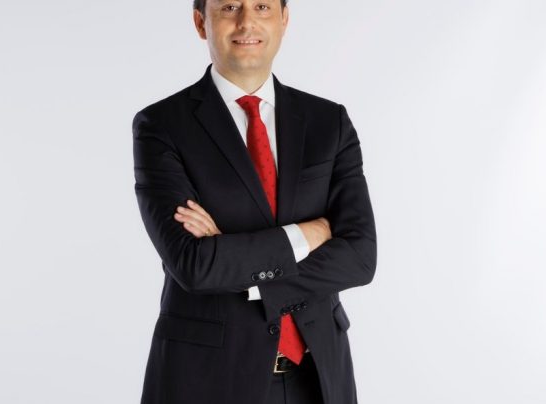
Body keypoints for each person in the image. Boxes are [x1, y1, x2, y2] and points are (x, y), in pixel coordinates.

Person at [132, 0, 377, 403]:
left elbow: (360, 258)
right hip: (208, 382)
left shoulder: (328, 122)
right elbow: (194, 265)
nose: (247, 22)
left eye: (262, 6)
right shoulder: (161, 126)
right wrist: (308, 234)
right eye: (230, 7)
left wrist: (235, 261)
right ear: (200, 22)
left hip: (317, 379)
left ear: (283, 19)